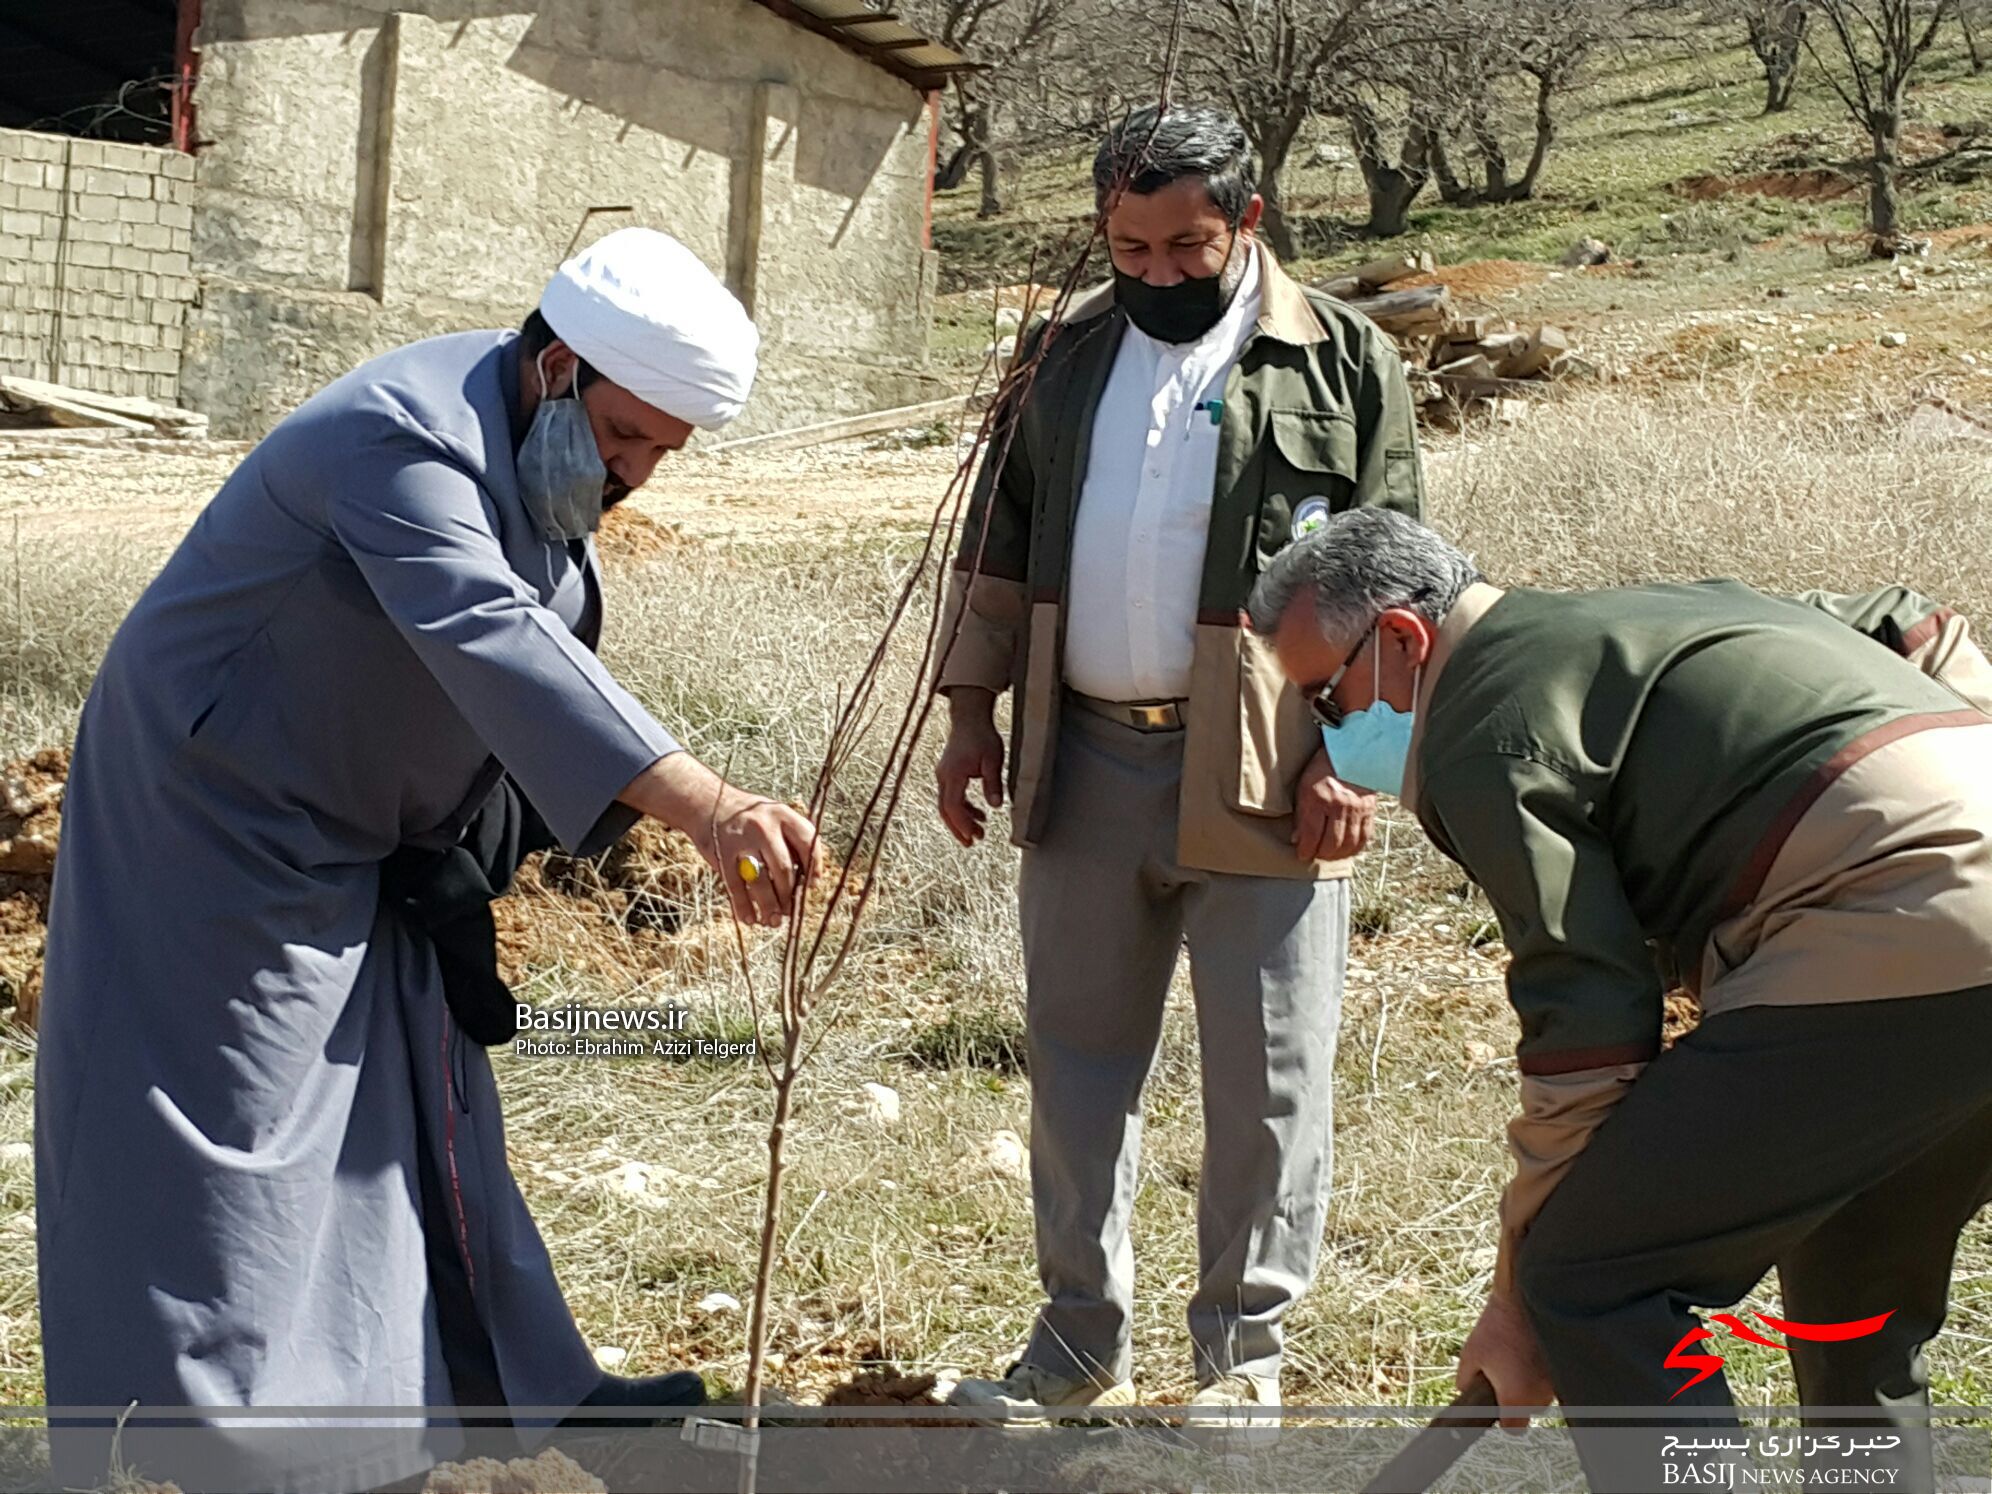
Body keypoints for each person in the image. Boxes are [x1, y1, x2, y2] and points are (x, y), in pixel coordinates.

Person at [35, 228, 819, 1428]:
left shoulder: (537, 446)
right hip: (217, 809)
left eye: (666, 450)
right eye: (626, 437)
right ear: (556, 364)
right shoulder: (397, 436)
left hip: (368, 819)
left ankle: (505, 1400)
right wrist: (706, 805)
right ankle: (219, 1438)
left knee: (421, 1097)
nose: (639, 474)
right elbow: (486, 627)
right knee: (236, 1119)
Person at [1249, 508, 1992, 1485]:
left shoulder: (1481, 723)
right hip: (1944, 932)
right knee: (1853, 1292)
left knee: (1596, 1280)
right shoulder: (1649, 613)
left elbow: (1590, 1027)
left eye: (1326, 700)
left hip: (1895, 932)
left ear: (1400, 640)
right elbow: (1911, 623)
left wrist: (1523, 1294)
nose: (1327, 736)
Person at [932, 105, 1424, 1414]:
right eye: (1129, 247)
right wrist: (970, 714)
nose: (1154, 273)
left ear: (1246, 223)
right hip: (1082, 756)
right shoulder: (1064, 355)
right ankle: (1075, 1347)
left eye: (1184, 246)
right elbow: (998, 542)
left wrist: (1358, 760)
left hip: (1267, 765)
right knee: (1079, 1063)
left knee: (1266, 1075)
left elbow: (1398, 586)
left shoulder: (1344, 363)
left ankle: (1242, 1363)